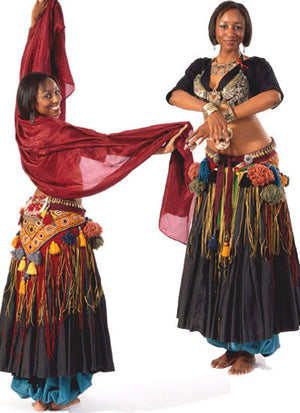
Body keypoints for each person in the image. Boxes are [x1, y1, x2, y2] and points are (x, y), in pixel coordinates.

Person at [0, 0, 194, 411]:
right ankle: (52, 393)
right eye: (46, 95)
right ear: (29, 102)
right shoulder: (54, 134)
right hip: (57, 234)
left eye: (55, 92)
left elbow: (31, 72)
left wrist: (38, 26)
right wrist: (158, 141)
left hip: (38, 229)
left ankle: (50, 391)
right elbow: (108, 147)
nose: (54, 98)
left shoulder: (27, 131)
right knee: (55, 305)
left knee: (47, 305)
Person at [166, 1, 300, 375]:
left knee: (248, 248)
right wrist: (208, 112)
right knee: (218, 249)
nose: (231, 31)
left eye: (238, 26)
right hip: (217, 171)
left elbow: (272, 97)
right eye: (224, 25)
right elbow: (174, 95)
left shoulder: (255, 67)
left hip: (252, 167)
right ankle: (227, 340)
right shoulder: (199, 68)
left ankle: (250, 347)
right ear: (214, 29)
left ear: (246, 32)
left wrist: (224, 113)